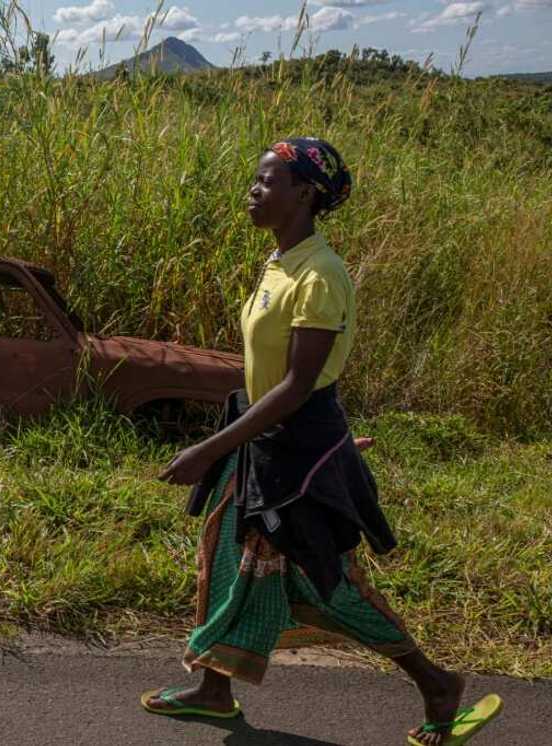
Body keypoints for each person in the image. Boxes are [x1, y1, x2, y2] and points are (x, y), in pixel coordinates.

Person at [141, 138, 502, 746]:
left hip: (295, 450)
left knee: (323, 583)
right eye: (255, 180)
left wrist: (206, 449)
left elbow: (298, 385)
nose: (252, 192)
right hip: (266, 442)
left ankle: (436, 682)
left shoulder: (320, 274)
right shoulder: (281, 262)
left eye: (267, 181)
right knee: (224, 554)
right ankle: (213, 688)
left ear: (304, 194)